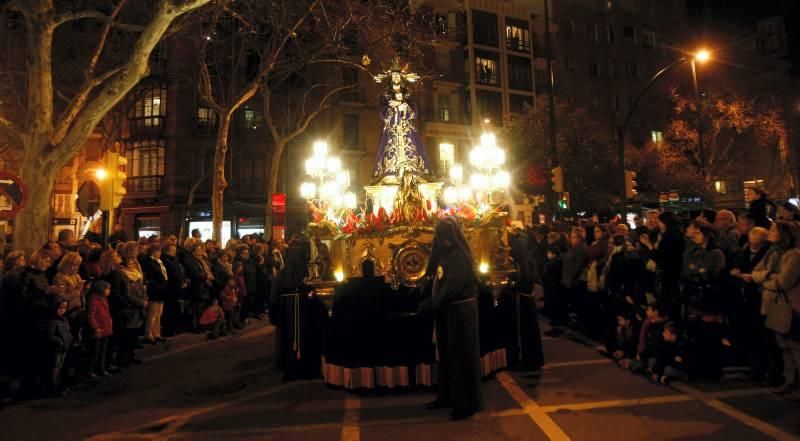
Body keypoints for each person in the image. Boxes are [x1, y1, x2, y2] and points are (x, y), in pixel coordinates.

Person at [417, 217, 483, 420]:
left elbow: (452, 287)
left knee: (461, 357)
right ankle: (447, 396)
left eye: (443, 236)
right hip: (448, 312)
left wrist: (429, 305)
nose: (440, 240)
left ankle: (466, 403)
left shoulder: (458, 257)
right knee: (446, 356)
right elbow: (438, 277)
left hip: (460, 312)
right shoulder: (448, 254)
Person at [752, 221, 800, 399]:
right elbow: (756, 272)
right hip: (773, 306)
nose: (770, 232)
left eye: (774, 230)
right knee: (783, 346)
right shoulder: (772, 252)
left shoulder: (794, 255)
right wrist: (768, 276)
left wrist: (765, 279)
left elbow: (784, 282)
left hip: (790, 307)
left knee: (795, 346)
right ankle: (789, 381)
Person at [141, 244, 168, 344]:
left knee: (158, 314)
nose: (160, 253)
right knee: (152, 313)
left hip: (161, 290)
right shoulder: (149, 262)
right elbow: (153, 275)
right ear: (153, 252)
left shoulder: (159, 262)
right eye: (158, 251)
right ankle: (149, 334)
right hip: (155, 290)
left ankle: (157, 333)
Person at [86, 280, 113, 379]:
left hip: (105, 328)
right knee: (95, 351)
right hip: (98, 330)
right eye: (107, 289)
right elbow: (91, 316)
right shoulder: (94, 300)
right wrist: (95, 327)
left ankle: (101, 369)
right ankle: (91, 370)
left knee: (102, 351)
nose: (109, 291)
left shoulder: (104, 299)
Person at [46, 297, 72, 395]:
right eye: (60, 308)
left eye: (64, 308)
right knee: (55, 368)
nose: (62, 310)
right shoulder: (53, 321)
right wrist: (59, 341)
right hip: (57, 349)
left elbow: (67, 331)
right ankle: (53, 388)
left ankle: (60, 386)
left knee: (61, 368)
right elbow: (50, 335)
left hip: (65, 347)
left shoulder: (64, 320)